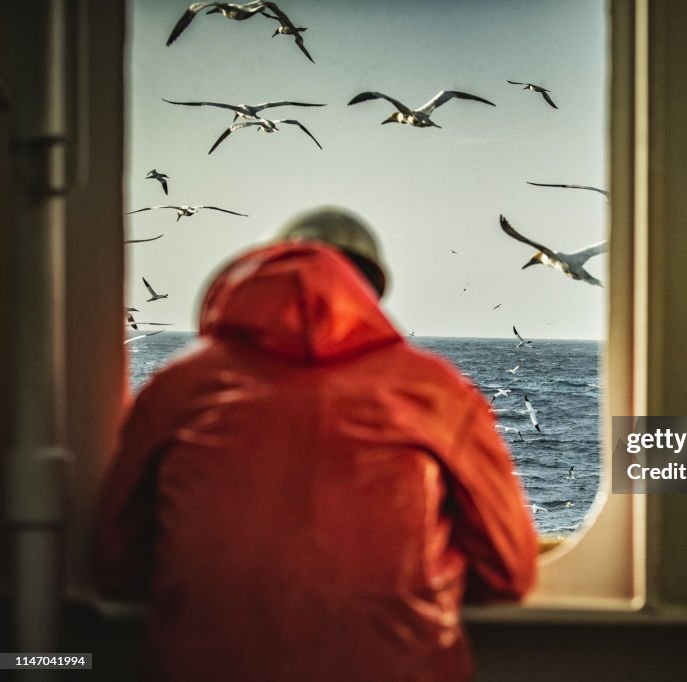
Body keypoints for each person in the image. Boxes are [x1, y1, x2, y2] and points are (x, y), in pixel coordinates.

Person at [94, 207, 538, 682]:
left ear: (261, 270)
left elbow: (116, 566)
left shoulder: (176, 387)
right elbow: (507, 574)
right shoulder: (436, 391)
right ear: (371, 290)